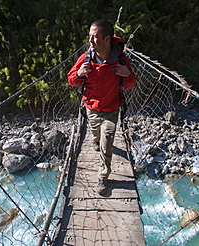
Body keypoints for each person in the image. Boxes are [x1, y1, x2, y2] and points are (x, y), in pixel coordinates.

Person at [67, 19, 136, 195]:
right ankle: (96, 140)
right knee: (96, 134)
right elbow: (71, 80)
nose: (90, 41)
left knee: (107, 144)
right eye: (90, 36)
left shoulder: (120, 59)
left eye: (94, 37)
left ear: (107, 39)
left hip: (112, 110)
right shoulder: (86, 58)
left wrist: (127, 74)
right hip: (91, 108)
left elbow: (130, 84)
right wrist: (80, 74)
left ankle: (103, 177)